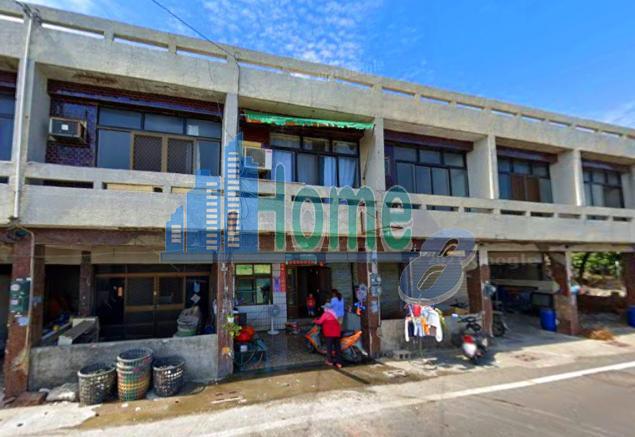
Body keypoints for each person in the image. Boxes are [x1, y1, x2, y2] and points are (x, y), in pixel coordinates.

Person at [313, 304, 343, 368]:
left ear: (327, 308)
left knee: (329, 347)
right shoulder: (336, 313)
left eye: (324, 308)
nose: (324, 309)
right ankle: (339, 363)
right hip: (337, 333)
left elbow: (320, 322)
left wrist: (315, 320)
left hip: (329, 334)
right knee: (337, 348)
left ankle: (330, 361)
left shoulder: (326, 314)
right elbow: (340, 322)